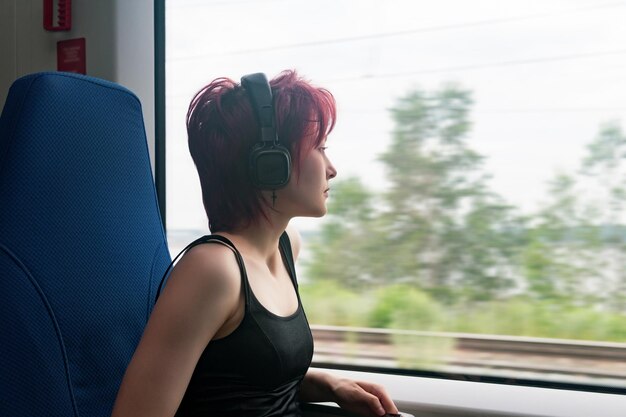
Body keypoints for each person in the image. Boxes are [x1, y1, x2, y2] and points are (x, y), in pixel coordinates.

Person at [111, 70, 399, 417]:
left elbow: (249, 381)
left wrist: (330, 385)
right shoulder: (213, 269)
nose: (332, 169)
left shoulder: (285, 246)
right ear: (270, 164)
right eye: (320, 148)